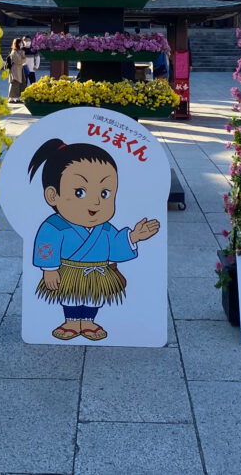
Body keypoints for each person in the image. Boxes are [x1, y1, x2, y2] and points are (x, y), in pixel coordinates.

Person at [29, 138, 160, 341]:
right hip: (69, 270)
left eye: (105, 193)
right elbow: (46, 246)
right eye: (80, 192)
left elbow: (115, 245)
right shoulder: (53, 226)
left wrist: (133, 236)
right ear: (53, 195)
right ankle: (71, 322)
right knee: (70, 297)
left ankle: (88, 321)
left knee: (93, 297)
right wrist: (50, 269)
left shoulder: (105, 229)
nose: (96, 201)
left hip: (98, 271)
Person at [7, 38, 26, 103]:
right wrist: (23, 58)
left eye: (21, 43)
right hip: (15, 69)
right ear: (16, 44)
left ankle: (18, 98)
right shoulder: (14, 52)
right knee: (14, 83)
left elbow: (23, 60)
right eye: (19, 43)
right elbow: (19, 61)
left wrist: (22, 55)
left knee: (20, 84)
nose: (21, 44)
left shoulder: (19, 51)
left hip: (20, 69)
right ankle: (11, 98)